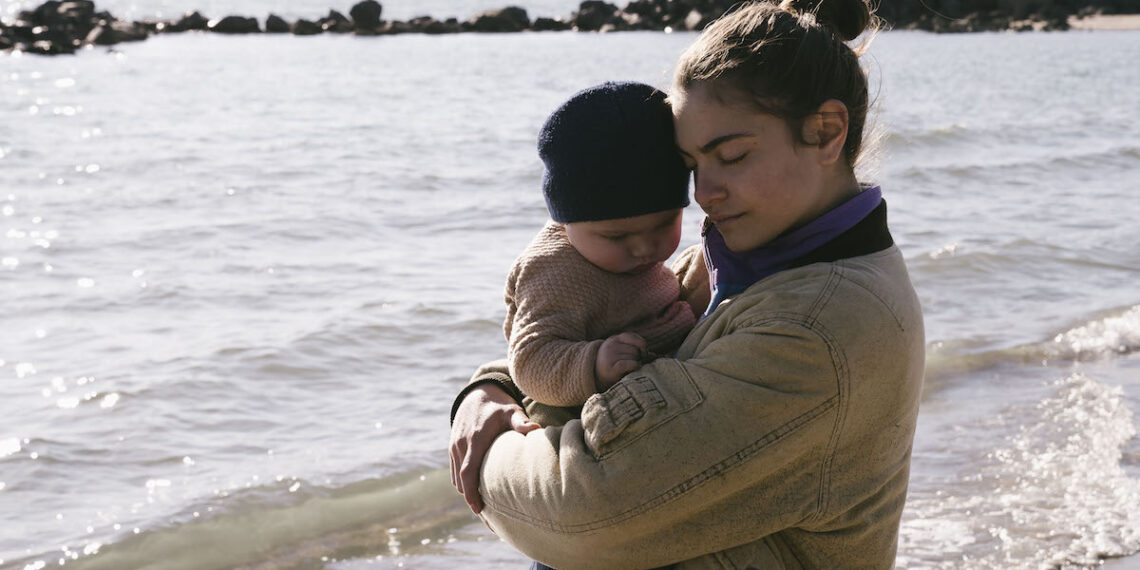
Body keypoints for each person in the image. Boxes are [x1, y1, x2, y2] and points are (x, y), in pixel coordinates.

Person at [449, 0, 925, 567]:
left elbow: (581, 508)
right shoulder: (746, 260)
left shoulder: (817, 327)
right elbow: (600, 323)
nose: (705, 192)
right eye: (693, 165)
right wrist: (490, 391)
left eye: (732, 155)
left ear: (825, 132)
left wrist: (486, 453)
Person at [503, 81, 702, 421]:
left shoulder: (620, 255)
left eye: (664, 224)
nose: (644, 248)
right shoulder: (555, 273)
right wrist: (595, 362)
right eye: (616, 237)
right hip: (578, 404)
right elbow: (530, 361)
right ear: (566, 223)